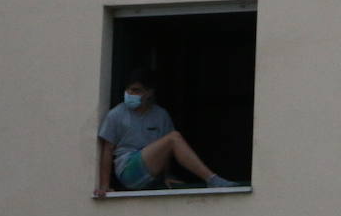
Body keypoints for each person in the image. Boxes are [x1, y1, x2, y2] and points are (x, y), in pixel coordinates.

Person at [95, 69, 239, 196]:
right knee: (174, 138)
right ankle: (212, 179)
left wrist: (167, 175)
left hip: (152, 174)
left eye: (136, 90)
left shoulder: (160, 115)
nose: (130, 94)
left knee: (172, 140)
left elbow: (165, 151)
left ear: (149, 92)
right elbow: (107, 150)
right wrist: (104, 186)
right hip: (128, 171)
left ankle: (209, 179)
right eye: (128, 90)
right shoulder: (115, 114)